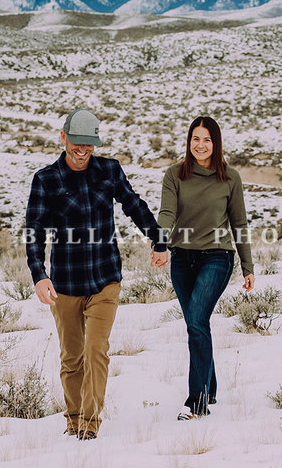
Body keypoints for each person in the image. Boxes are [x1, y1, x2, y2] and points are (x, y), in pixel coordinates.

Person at [25, 108, 169, 440]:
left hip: (105, 277)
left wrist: (158, 240)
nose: (81, 150)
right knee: (72, 357)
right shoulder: (46, 179)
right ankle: (73, 418)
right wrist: (39, 275)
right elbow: (34, 231)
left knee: (95, 349)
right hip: (65, 283)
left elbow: (133, 204)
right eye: (76, 143)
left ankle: (90, 423)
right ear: (63, 138)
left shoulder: (108, 170)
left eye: (88, 145)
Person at [158, 115, 254, 420]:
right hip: (182, 259)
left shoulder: (230, 178)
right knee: (196, 324)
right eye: (195, 139)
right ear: (189, 142)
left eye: (207, 140)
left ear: (216, 144)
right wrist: (160, 243)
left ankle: (197, 403)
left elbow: (239, 223)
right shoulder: (175, 175)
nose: (200, 145)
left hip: (217, 257)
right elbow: (166, 213)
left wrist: (247, 265)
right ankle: (210, 386)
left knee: (197, 321)